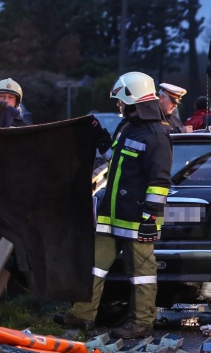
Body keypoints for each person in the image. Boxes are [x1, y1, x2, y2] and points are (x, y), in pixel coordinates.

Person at [55, 72, 171, 339]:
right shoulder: (127, 128)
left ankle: (142, 323)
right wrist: (101, 137)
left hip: (137, 217)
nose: (118, 106)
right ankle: (82, 315)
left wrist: (150, 216)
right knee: (94, 265)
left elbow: (160, 180)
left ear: (132, 99)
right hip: (111, 214)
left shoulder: (156, 135)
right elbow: (115, 160)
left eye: (121, 101)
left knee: (142, 273)